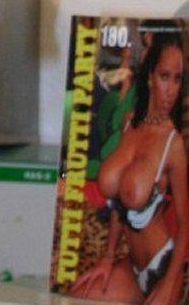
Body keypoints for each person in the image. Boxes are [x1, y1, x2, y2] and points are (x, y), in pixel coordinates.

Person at [70, 32, 187, 305]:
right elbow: (119, 204)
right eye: (165, 76)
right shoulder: (129, 123)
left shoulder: (172, 143)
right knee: (78, 297)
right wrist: (108, 257)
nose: (171, 89)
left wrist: (170, 282)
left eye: (177, 79)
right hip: (132, 267)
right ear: (150, 76)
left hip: (163, 266)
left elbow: (185, 221)